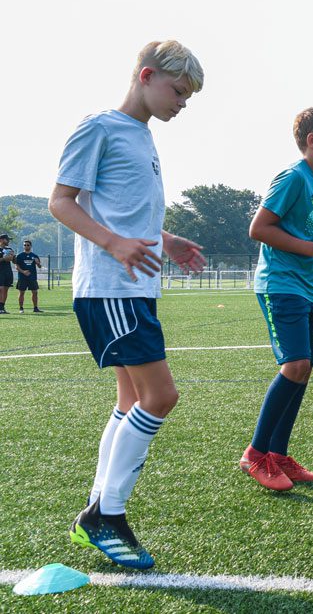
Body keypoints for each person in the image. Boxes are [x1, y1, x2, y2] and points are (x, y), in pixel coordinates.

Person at [50, 39, 206, 569]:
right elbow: (60, 202)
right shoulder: (100, 126)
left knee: (129, 402)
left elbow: (125, 214)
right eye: (178, 92)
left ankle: (97, 508)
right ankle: (106, 517)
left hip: (135, 287)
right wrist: (114, 245)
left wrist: (167, 240)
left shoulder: (141, 136)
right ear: (146, 75)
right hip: (109, 287)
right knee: (161, 397)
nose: (181, 103)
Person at [241, 107, 313, 492]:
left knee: (303, 369)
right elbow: (259, 228)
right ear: (312, 140)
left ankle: (279, 455)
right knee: (295, 364)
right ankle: (255, 454)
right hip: (279, 283)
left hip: (305, 286)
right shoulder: (292, 176)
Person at [15, 239, 43, 313]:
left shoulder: (34, 256)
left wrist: (38, 263)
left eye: (28, 245)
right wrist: (23, 272)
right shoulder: (20, 256)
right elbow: (17, 267)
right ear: (23, 246)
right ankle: (21, 308)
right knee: (22, 293)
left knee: (35, 292)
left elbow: (39, 266)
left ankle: (35, 308)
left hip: (32, 277)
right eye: (25, 245)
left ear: (30, 246)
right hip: (22, 277)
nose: (26, 246)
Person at [0, 234, 14, 314]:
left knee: (5, 290)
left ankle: (2, 307)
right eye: (7, 239)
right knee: (1, 289)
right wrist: (4, 258)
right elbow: (4, 259)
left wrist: (14, 257)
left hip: (8, 272)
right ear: (1, 240)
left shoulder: (9, 249)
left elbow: (14, 261)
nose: (8, 241)